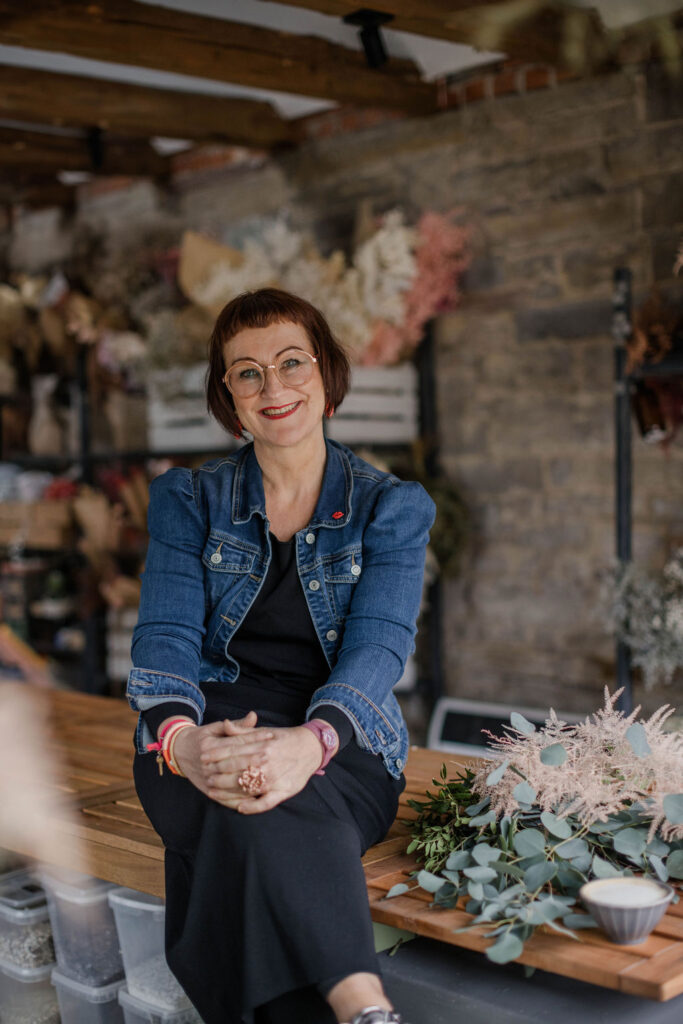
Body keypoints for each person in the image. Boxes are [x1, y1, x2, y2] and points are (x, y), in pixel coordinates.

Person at [128, 288, 435, 1024]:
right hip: (205, 730)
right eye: (248, 372)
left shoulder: (389, 508)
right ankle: (363, 1005)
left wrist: (311, 743)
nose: (273, 386)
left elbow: (379, 646)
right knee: (247, 797)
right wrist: (182, 742)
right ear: (229, 397)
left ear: (325, 374)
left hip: (344, 740)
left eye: (292, 362)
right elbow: (164, 636)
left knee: (256, 814)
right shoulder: (189, 500)